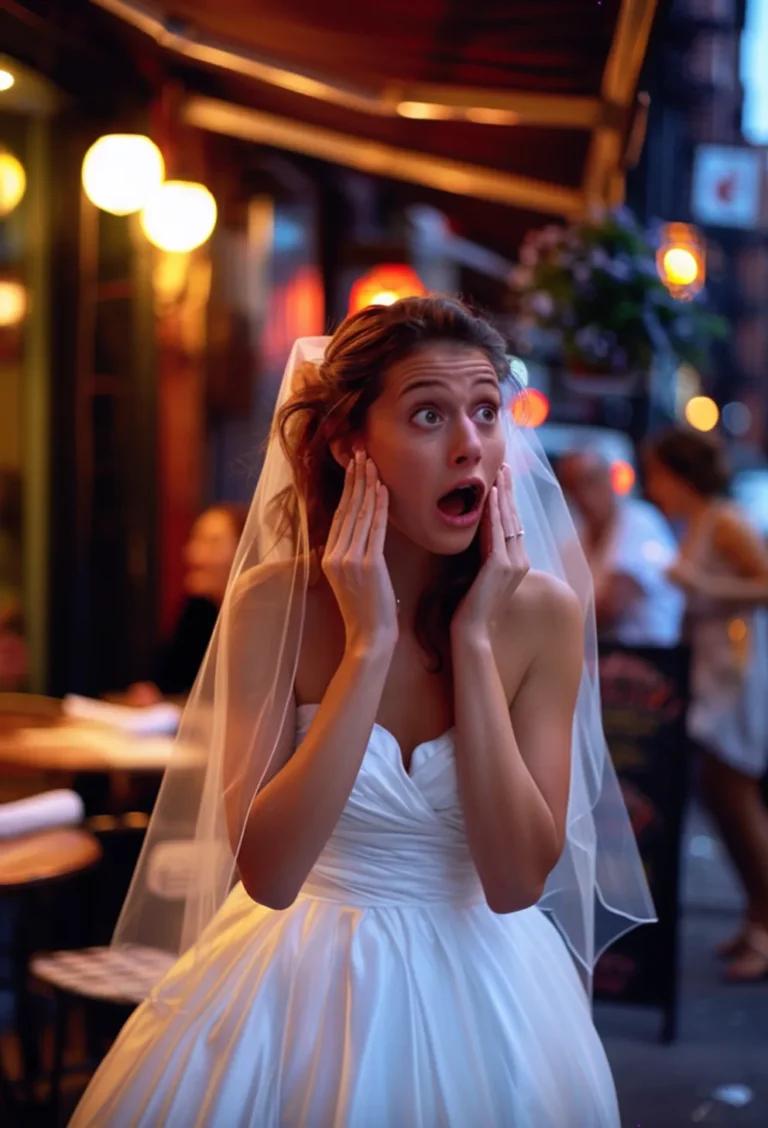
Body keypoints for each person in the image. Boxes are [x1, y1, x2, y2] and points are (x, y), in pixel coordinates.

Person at [70, 298, 652, 1127]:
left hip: (488, 991)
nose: (471, 445)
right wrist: (367, 644)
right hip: (286, 988)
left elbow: (517, 878)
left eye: (486, 411)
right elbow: (268, 876)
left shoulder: (543, 614)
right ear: (351, 444)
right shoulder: (275, 602)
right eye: (427, 414)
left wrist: (476, 644)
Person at [645, 427, 768, 982]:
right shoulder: (701, 522)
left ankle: (765, 926)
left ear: (676, 474)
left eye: (657, 476)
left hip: (741, 678)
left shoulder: (725, 522)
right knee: (721, 802)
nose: (653, 488)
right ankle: (756, 916)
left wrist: (702, 586)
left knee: (735, 799)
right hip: (716, 675)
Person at [557, 449, 683, 647]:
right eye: (572, 486)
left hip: (647, 656)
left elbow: (613, 606)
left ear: (609, 480)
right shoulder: (575, 540)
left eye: (590, 481)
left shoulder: (640, 522)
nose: (582, 494)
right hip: (599, 656)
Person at [126, 503, 248, 704]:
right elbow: (166, 681)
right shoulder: (198, 610)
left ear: (245, 551)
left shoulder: (263, 620)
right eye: (196, 540)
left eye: (212, 543)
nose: (193, 554)